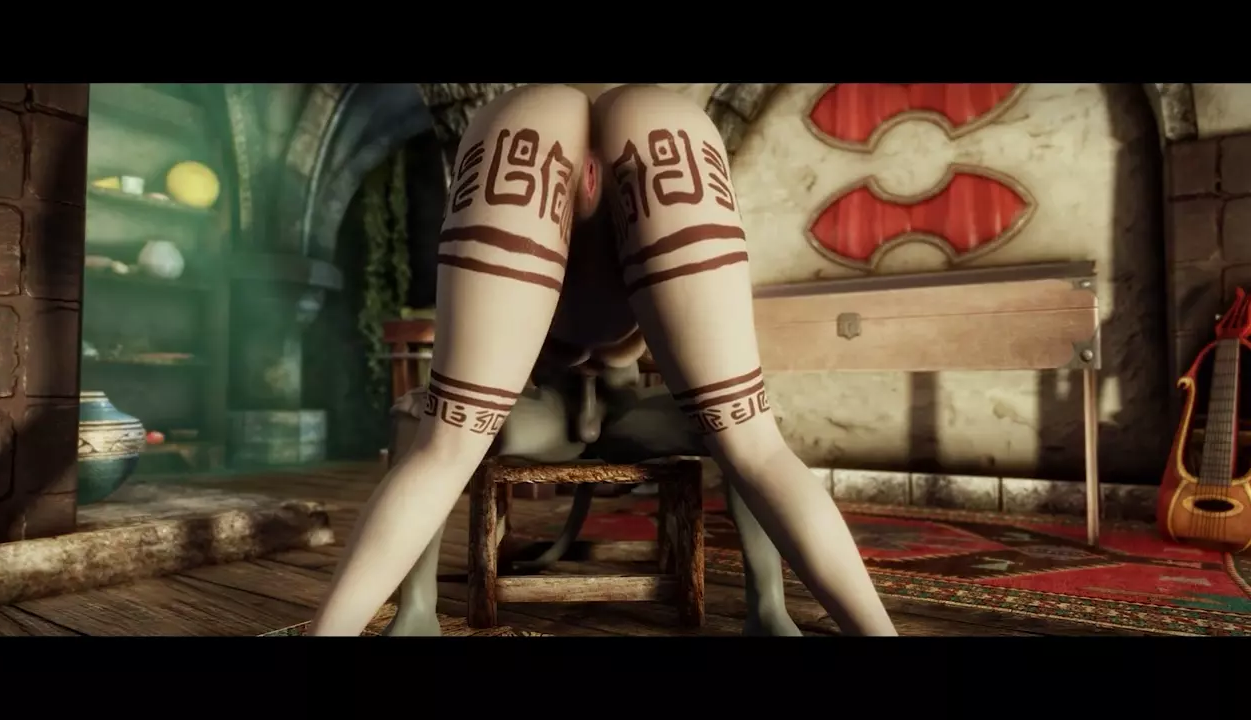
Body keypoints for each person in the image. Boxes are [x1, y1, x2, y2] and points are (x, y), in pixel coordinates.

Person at [308, 84, 896, 637]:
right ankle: (818, 620)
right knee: (756, 444)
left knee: (445, 446)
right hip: (663, 130)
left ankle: (396, 618)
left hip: (523, 129)